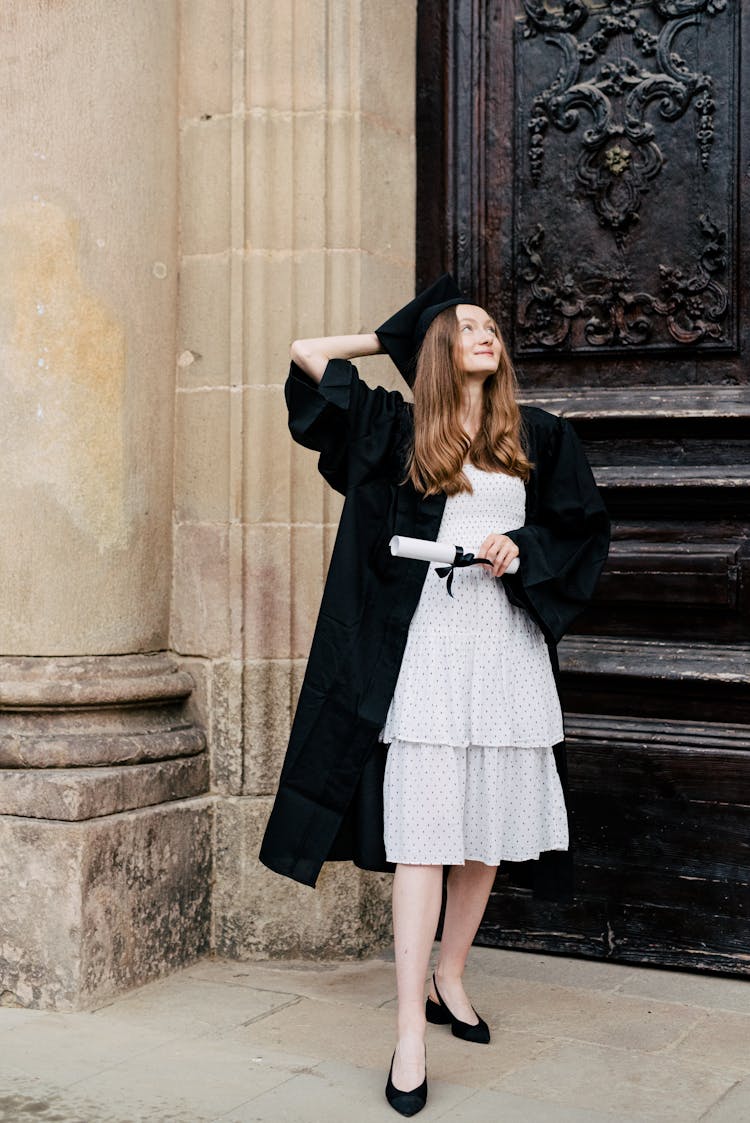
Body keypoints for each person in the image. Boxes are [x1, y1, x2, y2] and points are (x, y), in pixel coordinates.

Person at [260, 275, 610, 1116]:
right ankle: (408, 1027)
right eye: (466, 326)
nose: (486, 333)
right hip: (424, 651)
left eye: (492, 326)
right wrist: (399, 335)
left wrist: (518, 546)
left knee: (484, 832)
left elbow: (580, 529)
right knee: (422, 834)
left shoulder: (539, 436)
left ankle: (452, 974)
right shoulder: (395, 427)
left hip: (504, 649)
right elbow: (309, 359)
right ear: (439, 347)